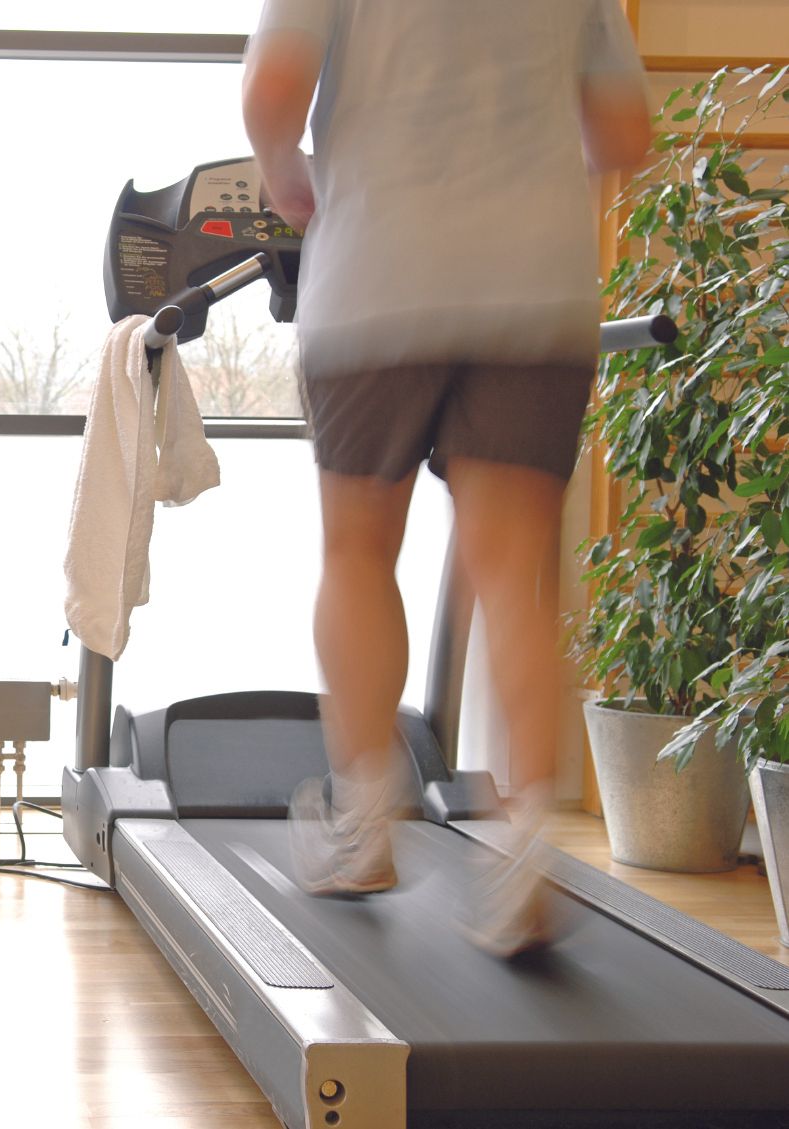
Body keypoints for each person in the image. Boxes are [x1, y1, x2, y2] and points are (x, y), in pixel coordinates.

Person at [242, 0, 651, 956]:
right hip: (534, 288)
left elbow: (271, 93)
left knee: (357, 549)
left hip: (378, 277)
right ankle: (522, 851)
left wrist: (285, 172)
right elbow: (624, 131)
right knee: (513, 573)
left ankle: (362, 825)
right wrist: (524, 179)